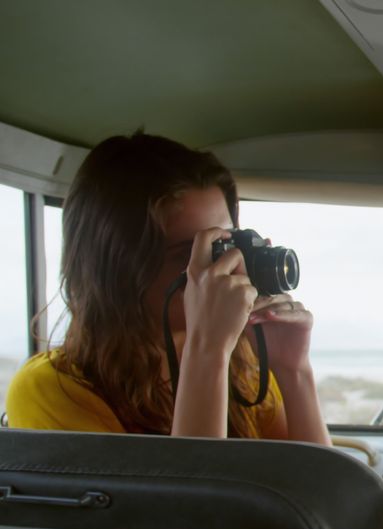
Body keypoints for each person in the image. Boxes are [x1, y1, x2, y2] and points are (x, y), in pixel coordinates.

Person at [5, 132, 331, 445]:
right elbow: (190, 503)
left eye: (222, 246)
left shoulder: (240, 368)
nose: (220, 270)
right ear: (118, 269)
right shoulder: (52, 389)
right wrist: (207, 351)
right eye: (188, 254)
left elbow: (322, 495)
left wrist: (293, 369)